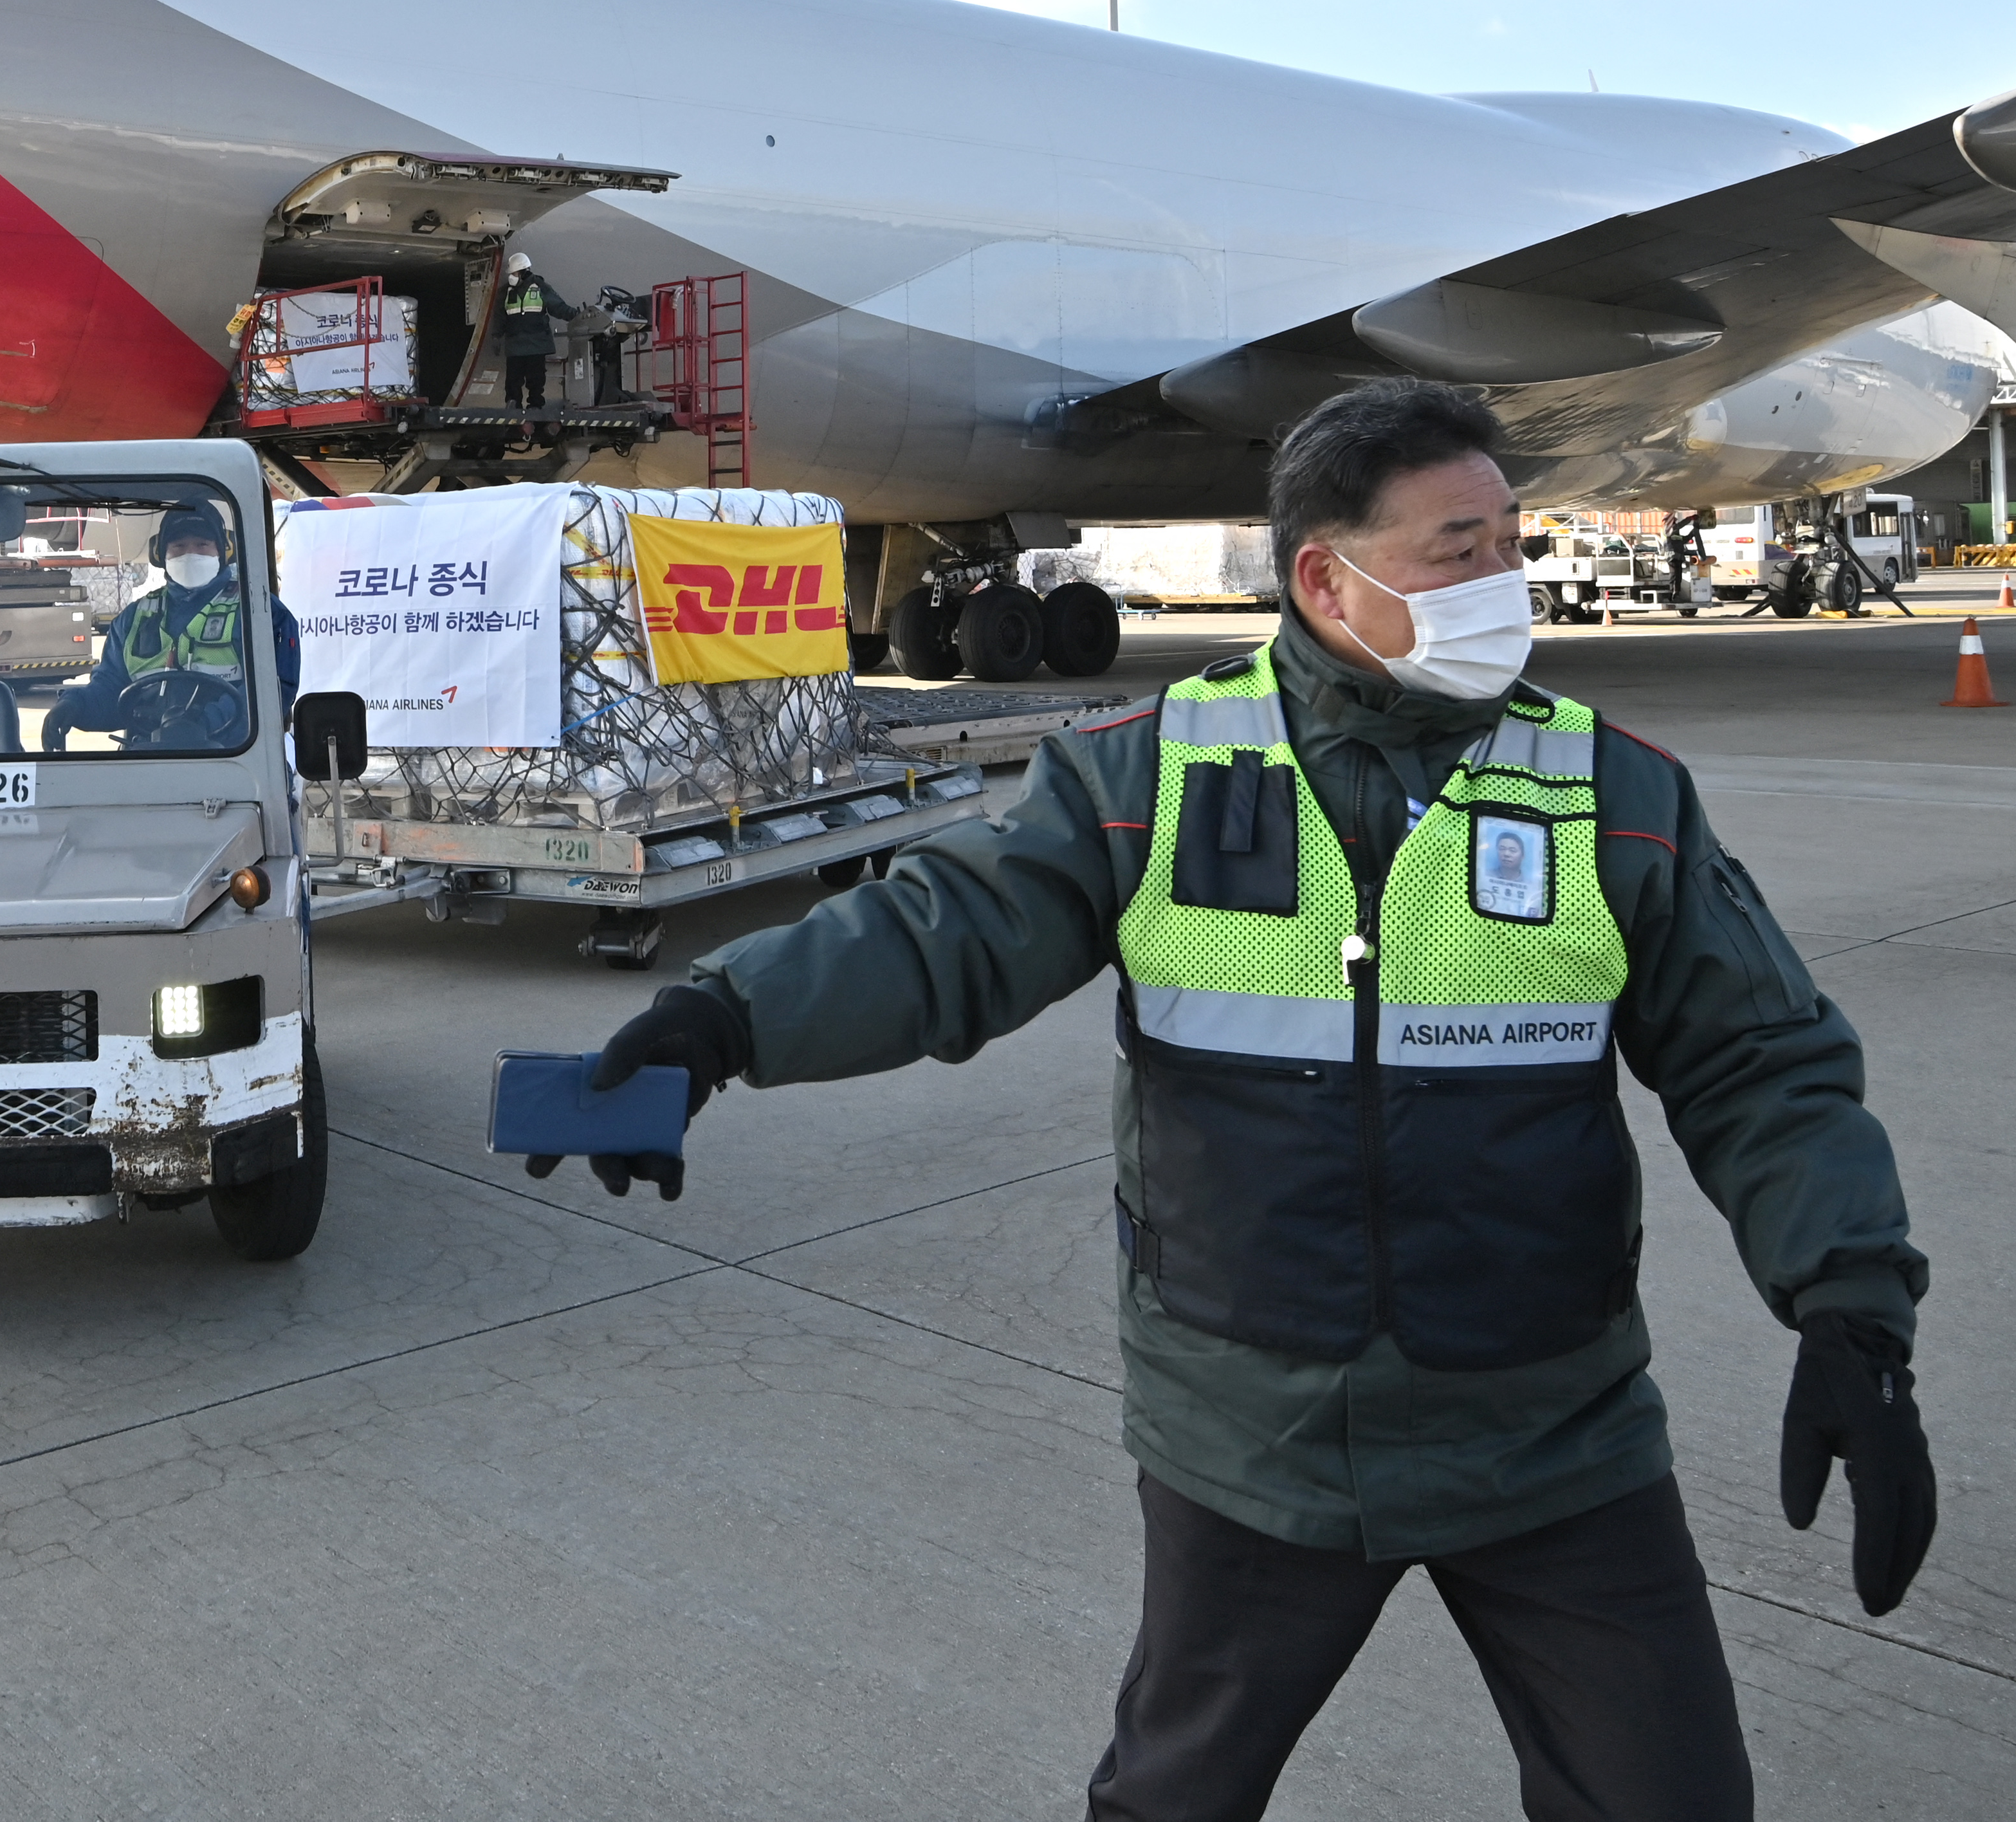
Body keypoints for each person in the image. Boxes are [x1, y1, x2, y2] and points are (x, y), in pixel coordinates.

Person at [554, 380, 1936, 1820]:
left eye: (1512, 544)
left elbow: (1760, 1059)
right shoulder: (1150, 778)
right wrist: (720, 1020)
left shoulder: (1613, 794)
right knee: (1173, 1799)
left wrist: (1852, 1310)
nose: (1506, 584)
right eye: (1462, 549)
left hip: (1553, 1432)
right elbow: (942, 934)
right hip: (1253, 1439)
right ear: (1327, 577)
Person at [46, 501, 296, 751]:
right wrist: (74, 705)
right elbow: (111, 690)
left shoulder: (259, 612)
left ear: (223, 550)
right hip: (146, 761)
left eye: (202, 545)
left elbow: (270, 691)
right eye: (179, 547)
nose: (190, 554)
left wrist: (204, 722)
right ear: (160, 554)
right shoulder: (134, 618)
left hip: (235, 760)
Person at [501, 252, 554, 411]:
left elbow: (556, 305)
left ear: (523, 272)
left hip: (536, 343)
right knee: (513, 378)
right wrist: (496, 336)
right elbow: (499, 315)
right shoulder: (506, 292)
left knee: (536, 377)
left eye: (514, 273)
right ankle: (513, 403)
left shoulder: (540, 287)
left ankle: (535, 404)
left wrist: (574, 315)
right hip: (516, 344)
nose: (511, 276)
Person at [591, 282, 647, 405]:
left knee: (611, 372)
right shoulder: (605, 319)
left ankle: (616, 396)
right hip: (599, 353)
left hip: (609, 357)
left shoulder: (619, 320)